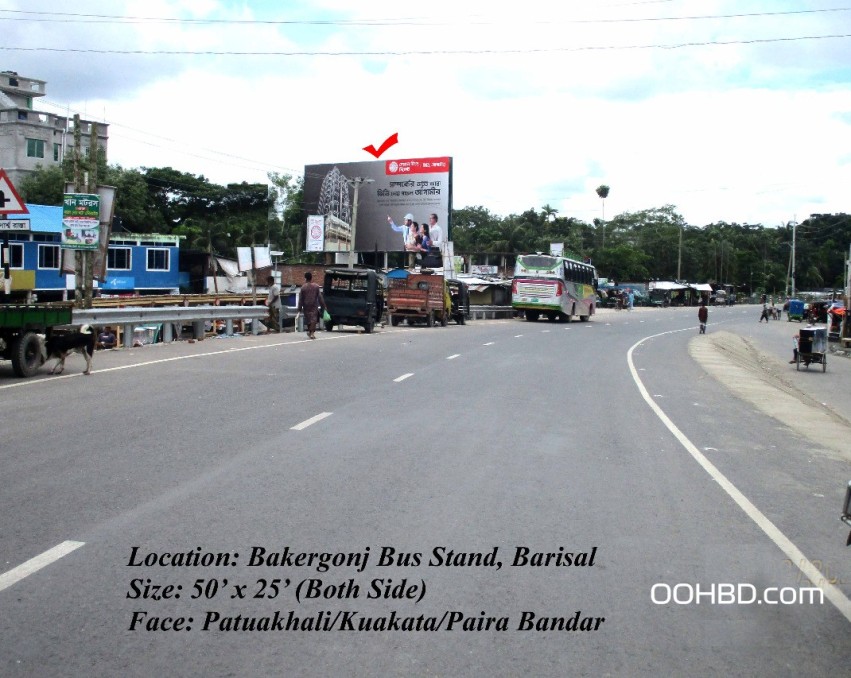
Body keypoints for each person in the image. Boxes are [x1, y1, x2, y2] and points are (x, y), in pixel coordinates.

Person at [297, 270, 325, 339]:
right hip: (314, 305)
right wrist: (323, 306)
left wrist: (299, 308)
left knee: (309, 319)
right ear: (311, 278)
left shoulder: (303, 287)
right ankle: (311, 332)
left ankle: (311, 332)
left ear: (305, 278)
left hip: (306, 306)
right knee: (313, 319)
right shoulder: (316, 286)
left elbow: (300, 299)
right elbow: (320, 297)